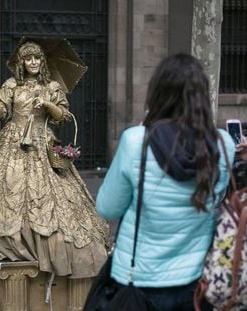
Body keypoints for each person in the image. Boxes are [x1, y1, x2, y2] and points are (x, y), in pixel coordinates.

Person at [95, 53, 236, 310]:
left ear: (157, 93)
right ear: (202, 96)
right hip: (197, 284)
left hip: (139, 282)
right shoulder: (223, 146)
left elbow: (107, 208)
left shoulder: (136, 141)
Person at [0, 40, 109, 279]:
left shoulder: (52, 86)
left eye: (37, 58)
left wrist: (47, 104)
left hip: (41, 143)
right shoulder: (12, 84)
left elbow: (63, 116)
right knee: (6, 189)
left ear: (42, 61)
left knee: (50, 196)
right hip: (13, 141)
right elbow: (2, 105)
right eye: (28, 58)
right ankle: (9, 240)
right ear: (21, 62)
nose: (33, 62)